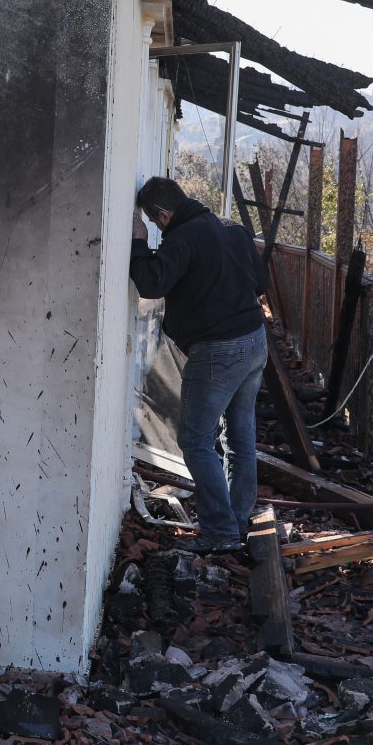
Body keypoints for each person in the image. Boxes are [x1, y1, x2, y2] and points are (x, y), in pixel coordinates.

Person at [130, 177, 269, 554]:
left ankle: (221, 533)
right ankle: (236, 521)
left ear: (163, 214)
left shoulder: (182, 238)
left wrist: (138, 240)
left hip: (218, 351)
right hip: (255, 342)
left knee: (194, 439)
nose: (158, 229)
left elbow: (151, 282)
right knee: (239, 437)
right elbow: (260, 282)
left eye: (155, 222)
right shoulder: (231, 229)